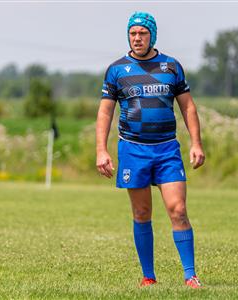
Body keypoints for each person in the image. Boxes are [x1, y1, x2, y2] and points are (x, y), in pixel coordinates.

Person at [96, 11, 205, 289]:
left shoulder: (171, 67)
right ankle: (148, 277)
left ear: (152, 35)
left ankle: (190, 275)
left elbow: (188, 107)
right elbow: (105, 113)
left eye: (142, 33)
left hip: (167, 149)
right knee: (142, 213)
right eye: (133, 33)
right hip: (133, 150)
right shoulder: (117, 70)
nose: (137, 38)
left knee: (178, 210)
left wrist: (196, 143)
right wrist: (102, 150)